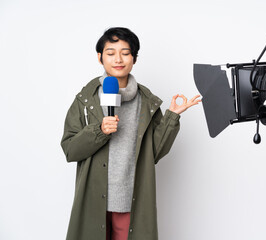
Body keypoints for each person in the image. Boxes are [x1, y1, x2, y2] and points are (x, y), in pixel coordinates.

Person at [61, 27, 201, 240]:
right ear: (100, 58)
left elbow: (155, 152)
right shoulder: (85, 100)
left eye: (125, 53)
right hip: (93, 199)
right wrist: (98, 131)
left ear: (134, 58)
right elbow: (70, 150)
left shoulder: (147, 102)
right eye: (110, 53)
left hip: (131, 200)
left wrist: (172, 116)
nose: (118, 59)